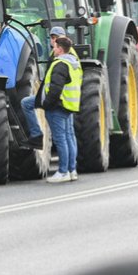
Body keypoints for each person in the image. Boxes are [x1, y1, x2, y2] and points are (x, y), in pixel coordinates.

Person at [23, 36, 82, 183]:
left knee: (61, 139)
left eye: (55, 47)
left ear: (60, 49)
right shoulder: (73, 63)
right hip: (68, 105)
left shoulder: (60, 65)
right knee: (68, 137)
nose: (53, 49)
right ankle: (72, 170)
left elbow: (55, 89)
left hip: (57, 106)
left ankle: (63, 171)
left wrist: (47, 104)